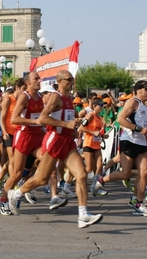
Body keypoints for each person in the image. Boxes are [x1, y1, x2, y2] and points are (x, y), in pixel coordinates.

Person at [8, 70, 102, 228]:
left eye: (72, 79)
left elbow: (65, 118)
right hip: (54, 141)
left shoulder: (69, 98)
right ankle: (16, 193)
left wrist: (73, 125)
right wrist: (66, 125)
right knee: (42, 179)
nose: (72, 81)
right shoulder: (55, 97)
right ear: (60, 81)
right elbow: (43, 118)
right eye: (69, 79)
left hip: (67, 142)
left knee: (81, 174)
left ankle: (83, 214)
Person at [91, 80, 147, 217]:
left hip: (141, 142)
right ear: (138, 91)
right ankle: (101, 180)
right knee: (125, 174)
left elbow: (141, 125)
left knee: (145, 172)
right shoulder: (133, 102)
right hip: (129, 141)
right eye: (146, 89)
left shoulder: (145, 106)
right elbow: (120, 119)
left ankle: (138, 204)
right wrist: (137, 129)